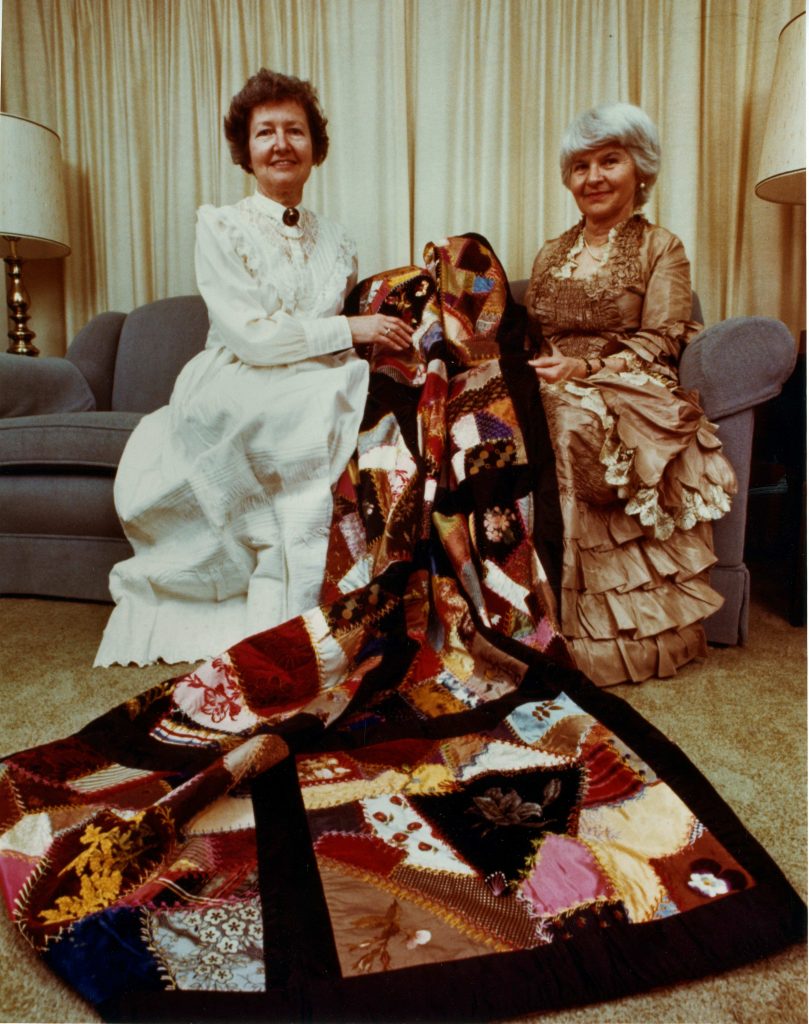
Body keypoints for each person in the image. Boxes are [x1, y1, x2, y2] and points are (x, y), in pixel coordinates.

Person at [95, 69, 413, 666]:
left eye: (295, 130)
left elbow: (340, 334)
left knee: (384, 412)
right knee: (301, 416)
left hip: (316, 373)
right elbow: (253, 337)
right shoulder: (222, 226)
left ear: (315, 147)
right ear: (246, 150)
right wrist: (350, 329)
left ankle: (340, 605)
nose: (281, 144)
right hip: (239, 375)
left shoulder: (339, 241)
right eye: (265, 132)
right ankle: (283, 621)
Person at [525, 102, 736, 687]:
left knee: (567, 423)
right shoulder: (550, 252)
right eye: (581, 166)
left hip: (627, 379)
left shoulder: (661, 247)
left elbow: (662, 337)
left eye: (609, 161)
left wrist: (585, 367)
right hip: (553, 373)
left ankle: (582, 631)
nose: (593, 177)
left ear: (639, 169)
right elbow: (534, 335)